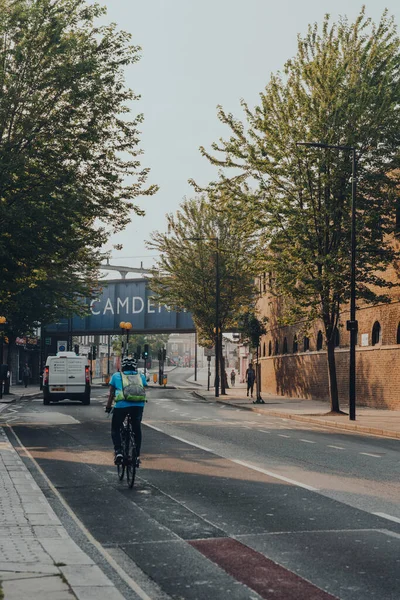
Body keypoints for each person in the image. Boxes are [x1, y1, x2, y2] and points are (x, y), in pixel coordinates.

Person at [105, 356, 147, 466]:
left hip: (121, 405)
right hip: (138, 406)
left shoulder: (116, 376)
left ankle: (118, 452)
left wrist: (108, 407)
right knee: (136, 429)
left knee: (115, 428)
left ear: (123, 367)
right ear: (135, 367)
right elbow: (143, 390)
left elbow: (111, 394)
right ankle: (136, 455)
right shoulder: (141, 376)